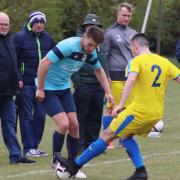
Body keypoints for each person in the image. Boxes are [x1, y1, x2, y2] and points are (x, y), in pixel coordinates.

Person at [55, 33, 180, 180]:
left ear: (135, 46)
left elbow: (131, 80)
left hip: (138, 112)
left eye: (131, 48)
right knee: (127, 137)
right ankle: (140, 172)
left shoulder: (136, 61)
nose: (131, 51)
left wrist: (121, 104)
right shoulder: (164, 61)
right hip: (156, 114)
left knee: (107, 135)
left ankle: (73, 166)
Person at [35, 26, 114, 178]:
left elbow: (98, 70)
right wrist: (40, 88)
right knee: (64, 124)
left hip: (64, 89)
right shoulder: (68, 46)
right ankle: (55, 161)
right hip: (48, 89)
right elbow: (44, 63)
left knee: (75, 125)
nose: (91, 49)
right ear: (84, 37)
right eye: (90, 44)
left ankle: (72, 165)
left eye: (95, 47)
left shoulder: (89, 53)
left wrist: (108, 92)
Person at [13, 11, 55, 157]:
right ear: (31, 22)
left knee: (41, 115)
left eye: (42, 22)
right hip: (25, 83)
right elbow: (14, 60)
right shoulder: (19, 38)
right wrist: (18, 77)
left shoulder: (49, 39)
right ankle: (28, 147)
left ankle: (35, 146)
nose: (39, 24)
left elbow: (55, 59)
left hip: (42, 84)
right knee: (26, 115)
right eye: (36, 21)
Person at [0, 12, 36, 164]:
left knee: (9, 123)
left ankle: (16, 156)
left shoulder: (9, 40)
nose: (3, 27)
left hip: (7, 92)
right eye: (1, 24)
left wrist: (17, 80)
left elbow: (13, 64)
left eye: (6, 24)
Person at [72, 14, 109, 154]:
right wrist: (77, 82)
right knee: (81, 115)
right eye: (89, 25)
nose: (93, 27)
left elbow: (104, 63)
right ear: (85, 28)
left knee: (95, 115)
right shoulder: (78, 41)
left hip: (98, 84)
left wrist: (107, 80)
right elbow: (72, 63)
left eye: (96, 26)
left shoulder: (102, 42)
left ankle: (92, 144)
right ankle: (79, 145)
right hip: (84, 83)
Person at [103, 2, 137, 149]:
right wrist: (107, 76)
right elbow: (104, 55)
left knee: (129, 109)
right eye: (124, 15)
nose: (126, 18)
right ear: (118, 14)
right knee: (111, 108)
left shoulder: (134, 33)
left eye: (129, 16)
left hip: (130, 77)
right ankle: (107, 139)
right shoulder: (109, 33)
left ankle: (124, 139)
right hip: (115, 77)